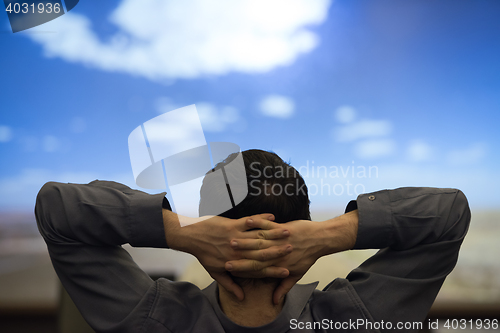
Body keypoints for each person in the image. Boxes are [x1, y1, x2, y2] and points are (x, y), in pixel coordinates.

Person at [35, 149, 471, 332]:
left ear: (210, 230)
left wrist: (181, 232)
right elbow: (449, 215)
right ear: (300, 225)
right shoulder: (352, 319)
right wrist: (328, 234)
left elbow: (58, 211)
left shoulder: (154, 320)